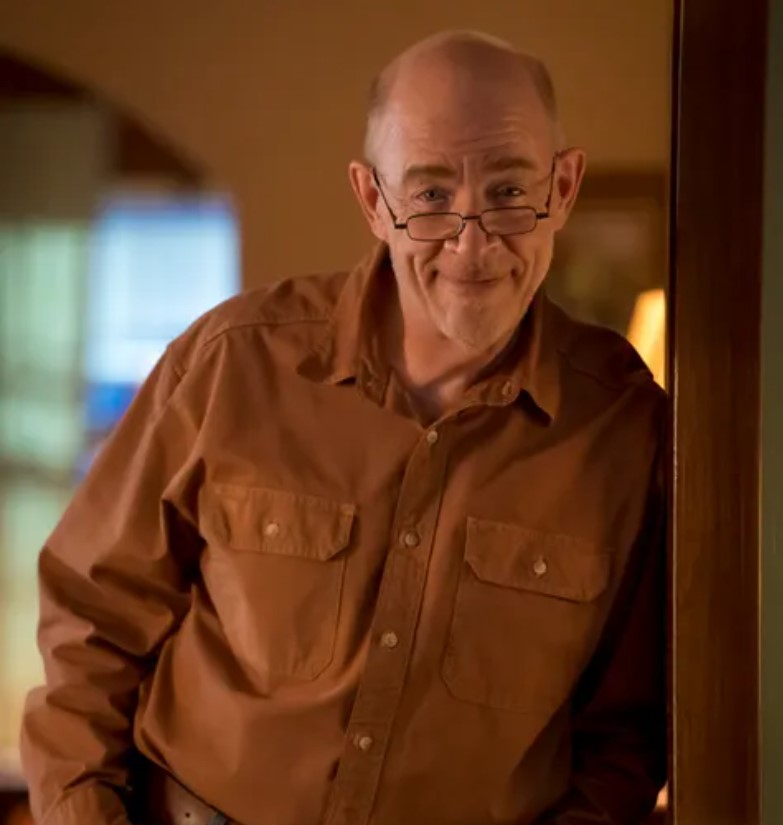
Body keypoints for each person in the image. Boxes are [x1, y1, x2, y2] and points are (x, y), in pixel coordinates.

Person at [21, 30, 667, 825]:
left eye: (507, 190)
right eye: (430, 195)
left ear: (562, 187)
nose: (471, 244)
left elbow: (624, 737)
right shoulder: (231, 365)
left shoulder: (624, 427)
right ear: (372, 200)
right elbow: (89, 628)